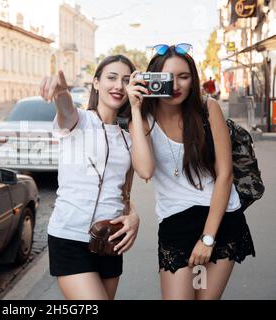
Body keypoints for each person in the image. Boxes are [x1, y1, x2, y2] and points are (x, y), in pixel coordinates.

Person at [133, 44, 255, 300]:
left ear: (193, 79)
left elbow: (225, 175)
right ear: (153, 78)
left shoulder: (207, 109)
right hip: (176, 224)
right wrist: (134, 107)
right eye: (167, 78)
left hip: (220, 221)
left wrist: (207, 239)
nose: (175, 85)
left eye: (184, 76)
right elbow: (144, 170)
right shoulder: (144, 117)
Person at [40, 55, 155, 300]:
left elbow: (141, 176)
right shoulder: (79, 121)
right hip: (69, 236)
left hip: (111, 239)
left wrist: (133, 216)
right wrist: (61, 92)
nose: (118, 86)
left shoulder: (127, 138)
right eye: (111, 78)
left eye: (126, 80)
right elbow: (65, 108)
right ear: (95, 83)